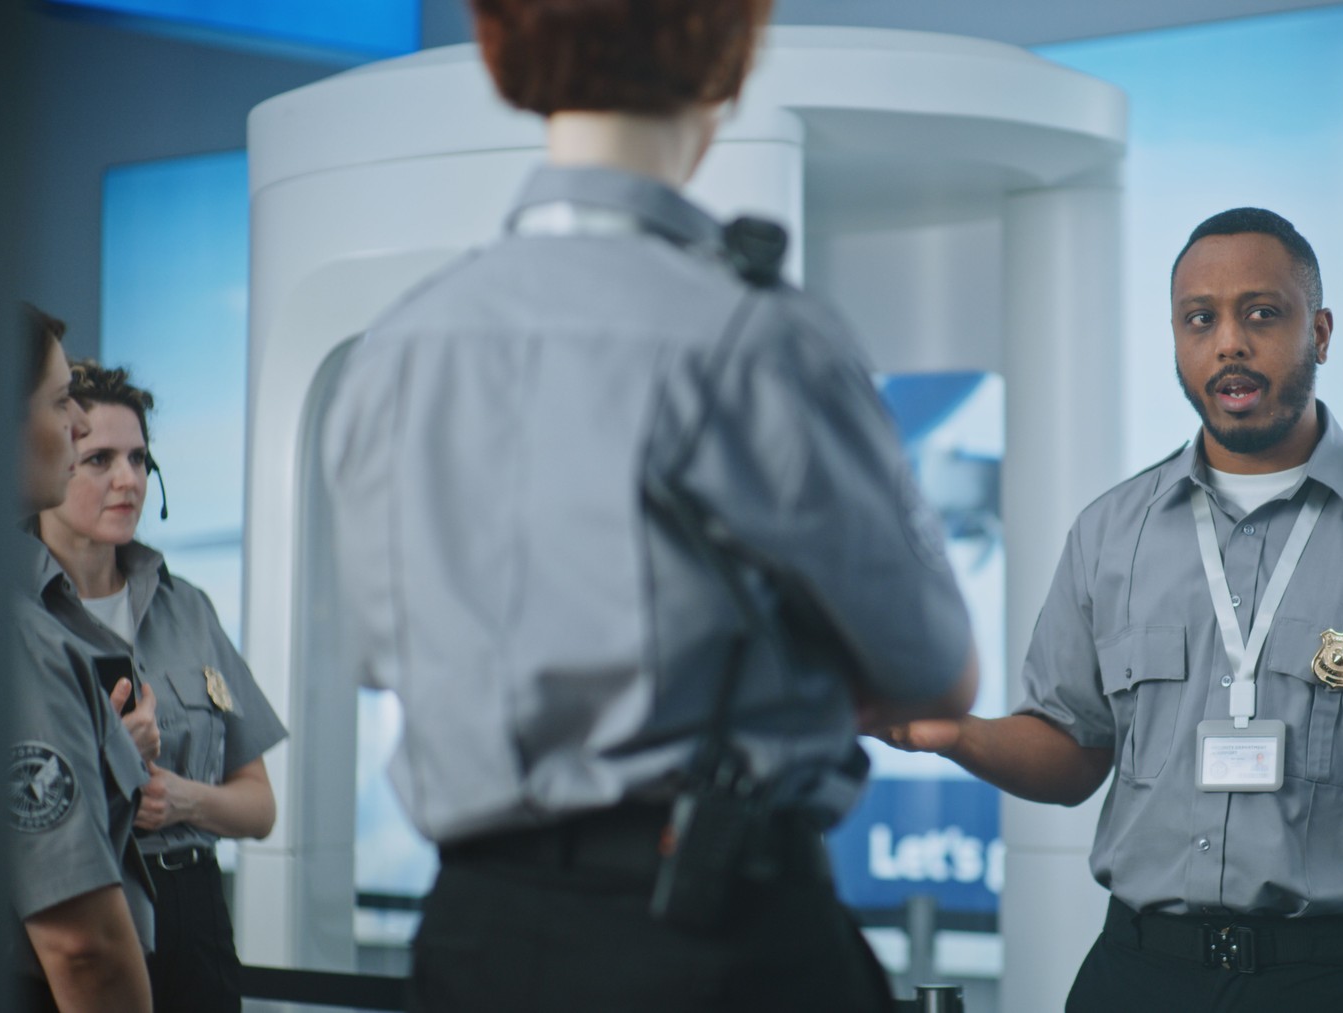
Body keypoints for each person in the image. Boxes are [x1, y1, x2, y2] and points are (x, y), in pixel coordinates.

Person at [318, 1, 978, 1010]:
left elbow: (383, 653)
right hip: (715, 933)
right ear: (725, 55)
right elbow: (937, 669)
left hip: (473, 939)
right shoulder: (756, 338)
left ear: (502, 47)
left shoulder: (394, 350)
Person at [881, 209, 1343, 1012]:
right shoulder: (1112, 531)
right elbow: (1072, 750)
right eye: (1199, 319)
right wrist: (951, 734)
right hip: (1137, 973)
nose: (1229, 342)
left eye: (1262, 313)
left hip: (1328, 981)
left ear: (1318, 332)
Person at [35, 362, 287, 1013]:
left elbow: (259, 808)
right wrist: (110, 760)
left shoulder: (190, 608)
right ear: (53, 461)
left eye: (140, 458)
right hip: (80, 913)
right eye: (99, 459)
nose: (129, 479)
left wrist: (180, 798)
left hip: (195, 914)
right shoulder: (17, 618)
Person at [8, 304, 155, 1013]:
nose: (75, 423)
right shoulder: (20, 640)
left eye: (137, 457)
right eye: (60, 400)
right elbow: (83, 950)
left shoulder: (186, 607)